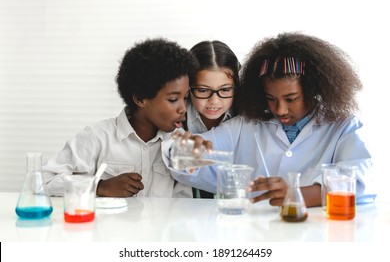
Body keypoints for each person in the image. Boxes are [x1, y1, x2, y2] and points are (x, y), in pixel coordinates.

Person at [166, 32, 372, 207]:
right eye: (271, 99)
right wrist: (184, 151)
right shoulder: (246, 126)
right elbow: (183, 162)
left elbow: (362, 181)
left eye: (291, 99)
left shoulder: (342, 127)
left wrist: (297, 194)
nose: (280, 109)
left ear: (313, 89)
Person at [42, 38, 199, 198]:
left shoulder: (178, 144)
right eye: (173, 99)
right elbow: (46, 182)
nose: (183, 108)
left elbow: (183, 201)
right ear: (140, 98)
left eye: (185, 98)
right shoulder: (97, 137)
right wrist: (100, 187)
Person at [185, 40, 240, 198]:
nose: (214, 101)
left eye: (225, 89)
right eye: (203, 90)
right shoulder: (175, 117)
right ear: (187, 87)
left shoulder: (244, 118)